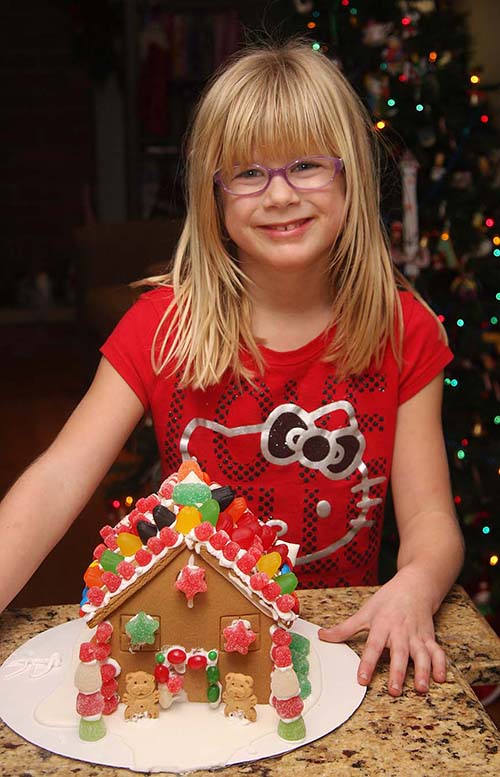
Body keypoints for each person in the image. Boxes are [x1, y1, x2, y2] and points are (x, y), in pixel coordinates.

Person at [0, 41, 464, 698]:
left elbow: (430, 524)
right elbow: (56, 479)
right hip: (197, 654)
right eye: (248, 173)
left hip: (337, 652)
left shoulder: (405, 331)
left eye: (306, 165)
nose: (279, 195)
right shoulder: (161, 325)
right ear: (213, 194)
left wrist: (414, 586)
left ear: (351, 175)